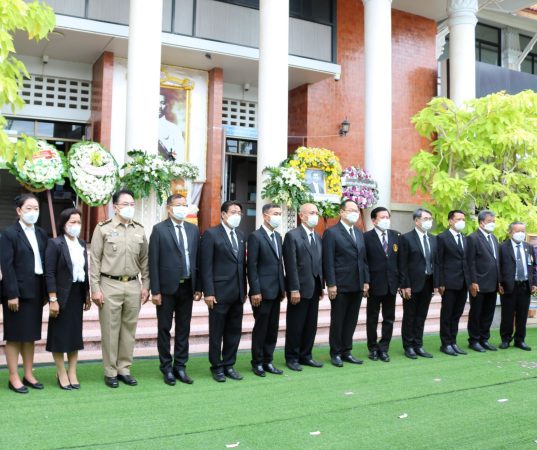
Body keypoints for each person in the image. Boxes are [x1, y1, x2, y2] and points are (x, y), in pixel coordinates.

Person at [90, 189, 150, 388]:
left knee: (129, 330)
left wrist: (146, 285)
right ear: (115, 207)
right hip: (109, 284)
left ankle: (124, 369)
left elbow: (145, 260)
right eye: (125, 204)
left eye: (132, 204)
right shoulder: (103, 228)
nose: (129, 208)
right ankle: (110, 371)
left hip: (133, 285)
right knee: (110, 329)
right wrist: (95, 288)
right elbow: (95, 260)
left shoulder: (139, 229)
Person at [148, 194, 201, 386]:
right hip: (166, 288)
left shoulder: (193, 230)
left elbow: (197, 259)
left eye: (185, 205)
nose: (182, 208)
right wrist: (155, 290)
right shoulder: (159, 230)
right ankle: (166, 367)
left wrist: (198, 287)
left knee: (183, 329)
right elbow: (153, 262)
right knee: (164, 328)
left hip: (188, 286)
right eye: (178, 205)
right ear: (169, 209)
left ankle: (180, 366)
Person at [0, 194, 48, 394]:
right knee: (14, 336)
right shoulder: (9, 234)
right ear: (19, 211)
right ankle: (13, 376)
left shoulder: (42, 233)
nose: (32, 212)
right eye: (28, 208)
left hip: (36, 290)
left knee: (30, 336)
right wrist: (12, 293)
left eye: (36, 208)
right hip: (16, 292)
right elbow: (7, 266)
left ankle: (28, 374)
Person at [200, 201, 247, 382]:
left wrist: (245, 289)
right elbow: (206, 266)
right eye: (233, 211)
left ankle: (229, 364)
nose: (237, 215)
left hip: (237, 292)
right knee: (217, 332)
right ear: (223, 214)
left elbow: (241, 265)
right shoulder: (211, 234)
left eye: (239, 212)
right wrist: (208, 292)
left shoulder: (241, 235)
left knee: (234, 331)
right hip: (219, 293)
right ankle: (216, 366)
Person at [45, 208, 91, 390]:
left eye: (78, 222)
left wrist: (86, 295)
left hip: (77, 294)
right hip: (61, 296)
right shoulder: (55, 244)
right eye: (72, 222)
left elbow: (85, 271)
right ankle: (61, 371)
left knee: (74, 336)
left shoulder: (81, 243)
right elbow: (49, 273)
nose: (75, 226)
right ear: (63, 224)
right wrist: (53, 298)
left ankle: (72, 371)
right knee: (58, 336)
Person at [323, 199, 369, 367]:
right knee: (338, 319)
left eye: (356, 210)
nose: (354, 213)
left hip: (357, 283)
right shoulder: (331, 232)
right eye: (351, 210)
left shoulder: (358, 232)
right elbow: (328, 260)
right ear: (341, 212)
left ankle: (346, 350)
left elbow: (363, 259)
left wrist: (366, 281)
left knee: (351, 319)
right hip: (340, 284)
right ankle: (335, 352)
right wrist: (331, 284)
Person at [283, 203, 324, 371]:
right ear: (302, 216)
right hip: (299, 289)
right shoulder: (292, 236)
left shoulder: (318, 236)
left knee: (310, 324)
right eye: (311, 212)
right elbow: (291, 265)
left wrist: (321, 285)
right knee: (295, 325)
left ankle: (306, 355)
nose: (315, 215)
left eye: (316, 212)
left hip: (314, 288)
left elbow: (319, 262)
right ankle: (292, 357)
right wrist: (293, 288)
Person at [247, 203, 286, 377]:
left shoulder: (278, 237)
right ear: (265, 216)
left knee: (272, 328)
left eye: (280, 213)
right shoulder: (256, 236)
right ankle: (257, 362)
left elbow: (279, 265)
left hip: (276, 291)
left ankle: (268, 361)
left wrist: (283, 288)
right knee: (261, 328)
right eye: (275, 213)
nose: (278, 216)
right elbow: (252, 266)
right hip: (261, 292)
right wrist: (255, 290)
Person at [364, 206, 403, 362]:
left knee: (389, 318)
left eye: (388, 217)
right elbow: (364, 262)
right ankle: (372, 348)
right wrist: (366, 282)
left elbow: (400, 261)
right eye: (382, 217)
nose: (386, 220)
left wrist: (400, 282)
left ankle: (384, 347)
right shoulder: (366, 237)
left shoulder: (396, 236)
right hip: (374, 285)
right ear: (374, 220)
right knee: (372, 318)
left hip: (391, 284)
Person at [399, 208, 438, 359]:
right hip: (412, 285)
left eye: (430, 219)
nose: (429, 221)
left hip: (428, 283)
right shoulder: (406, 238)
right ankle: (408, 346)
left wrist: (436, 283)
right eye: (425, 219)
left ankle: (418, 344)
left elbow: (436, 263)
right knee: (410, 316)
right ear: (416, 221)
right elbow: (402, 264)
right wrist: (405, 285)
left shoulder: (434, 239)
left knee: (421, 316)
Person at [437, 210, 471, 356]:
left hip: (463, 283)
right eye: (458, 219)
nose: (461, 221)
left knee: (457, 314)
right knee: (447, 314)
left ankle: (453, 341)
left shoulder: (464, 238)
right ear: (450, 221)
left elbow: (467, 261)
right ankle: (445, 343)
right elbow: (438, 262)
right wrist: (440, 282)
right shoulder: (442, 238)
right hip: (449, 283)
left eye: (463, 219)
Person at [498, 222, 536, 351]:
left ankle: (520, 339)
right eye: (518, 231)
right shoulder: (502, 247)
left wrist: (534, 283)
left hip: (525, 286)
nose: (521, 233)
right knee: (507, 315)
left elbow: (534, 267)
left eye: (523, 231)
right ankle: (505, 339)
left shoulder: (528, 247)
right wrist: (499, 283)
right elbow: (498, 267)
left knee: (522, 315)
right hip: (509, 286)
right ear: (510, 232)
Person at [466, 210, 500, 352]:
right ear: (481, 223)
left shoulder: (494, 238)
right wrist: (473, 281)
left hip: (492, 283)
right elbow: (470, 262)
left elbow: (496, 261)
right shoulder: (473, 238)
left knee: (488, 312)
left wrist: (499, 282)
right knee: (476, 313)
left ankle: (484, 338)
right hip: (478, 283)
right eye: (489, 221)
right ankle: (474, 340)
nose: (492, 224)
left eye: (493, 221)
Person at [158, 93, 184, 161]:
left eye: (162, 103)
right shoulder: (142, 127)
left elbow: (179, 153)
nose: (159, 106)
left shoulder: (174, 129)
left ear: (166, 105)